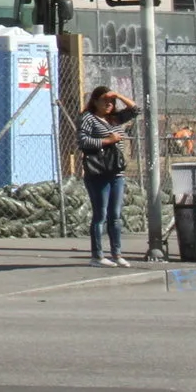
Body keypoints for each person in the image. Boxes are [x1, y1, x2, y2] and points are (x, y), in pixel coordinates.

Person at [77, 85, 141, 267]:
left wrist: (119, 95)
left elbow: (135, 110)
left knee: (115, 214)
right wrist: (108, 141)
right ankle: (97, 256)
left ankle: (117, 253)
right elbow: (82, 141)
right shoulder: (88, 118)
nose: (108, 104)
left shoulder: (114, 120)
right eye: (104, 100)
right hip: (99, 172)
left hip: (116, 171)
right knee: (101, 214)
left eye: (111, 102)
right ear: (95, 101)